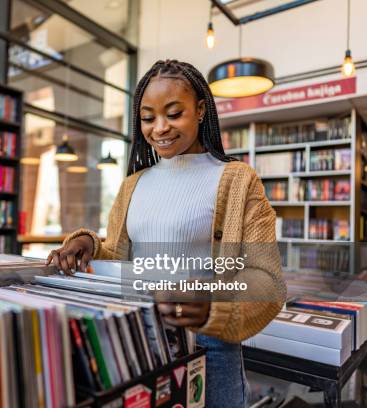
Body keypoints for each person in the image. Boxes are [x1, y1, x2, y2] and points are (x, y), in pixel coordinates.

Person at [46, 59, 286, 407]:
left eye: (174, 114)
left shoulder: (238, 181)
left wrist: (214, 304)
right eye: (148, 118)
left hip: (210, 348)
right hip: (140, 342)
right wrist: (88, 244)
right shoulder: (132, 185)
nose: (160, 128)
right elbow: (119, 257)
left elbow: (267, 280)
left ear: (201, 110)